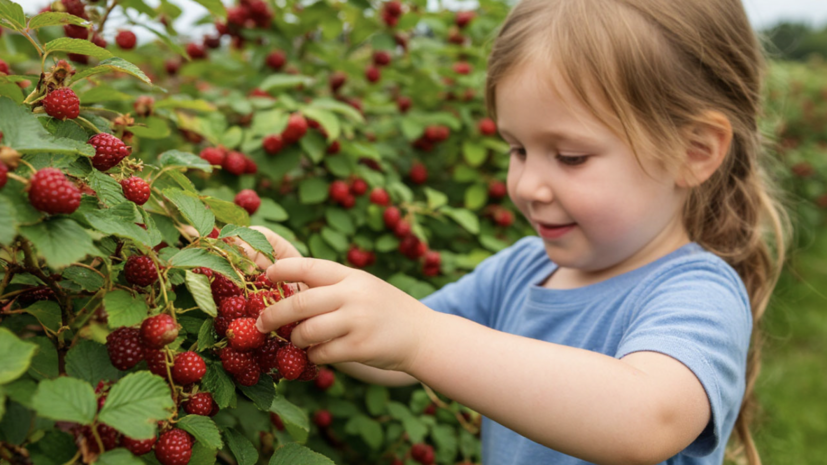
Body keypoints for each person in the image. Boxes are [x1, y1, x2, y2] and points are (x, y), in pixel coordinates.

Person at [246, 0, 793, 463]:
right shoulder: (521, 269)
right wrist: (315, 304)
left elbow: (649, 417)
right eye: (517, 149)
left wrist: (424, 337)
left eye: (571, 157)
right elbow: (392, 359)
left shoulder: (696, 291)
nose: (528, 184)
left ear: (694, 152)